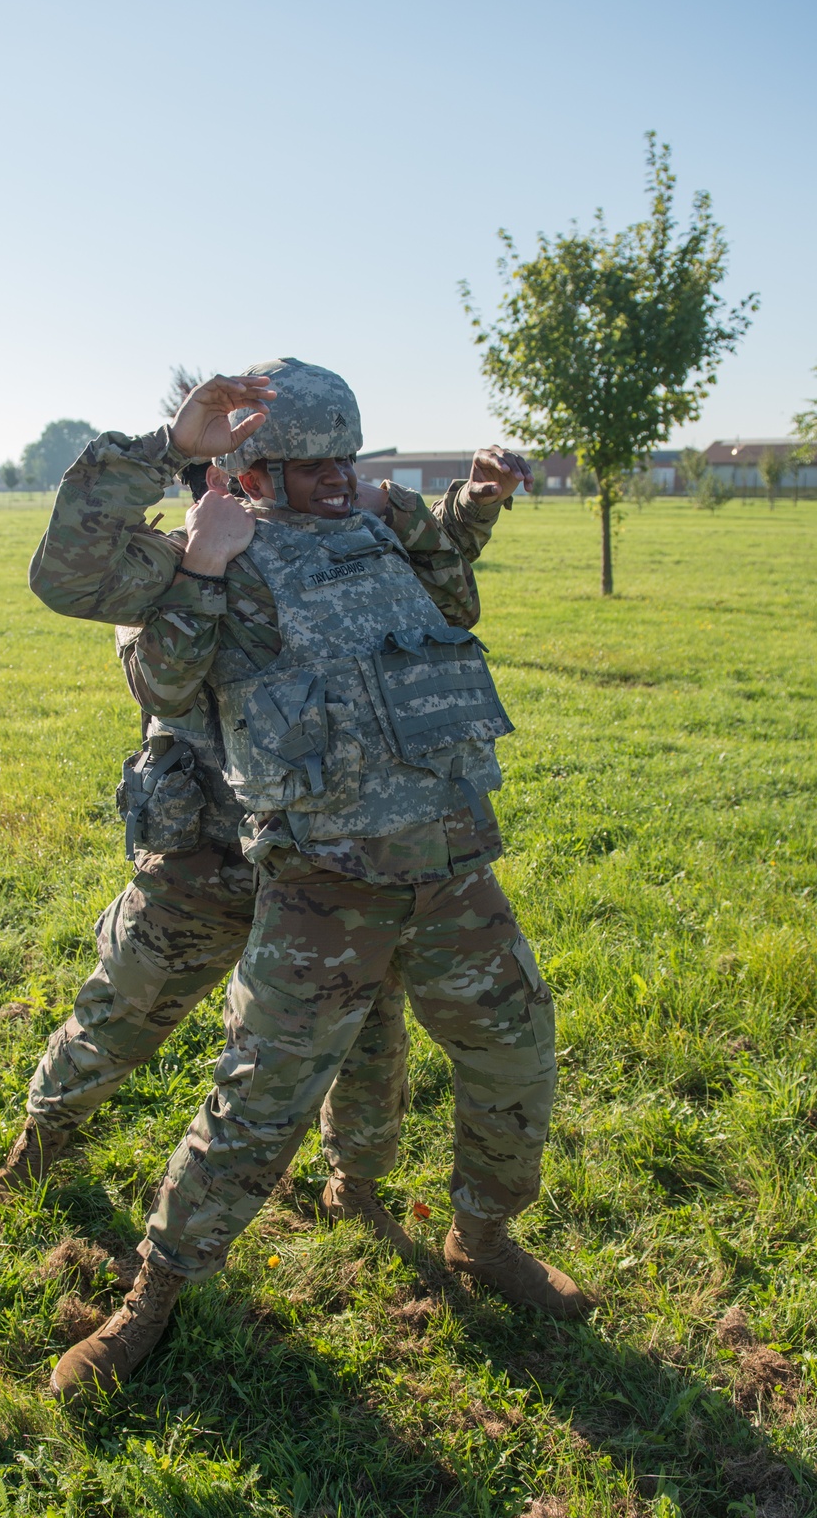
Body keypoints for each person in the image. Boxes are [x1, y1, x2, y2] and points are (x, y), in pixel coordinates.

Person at [49, 360, 589, 1404]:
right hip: (321, 888)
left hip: (452, 866)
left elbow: (455, 601)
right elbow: (80, 592)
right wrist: (185, 506)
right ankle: (150, 1298)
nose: (334, 480)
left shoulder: (380, 531)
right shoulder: (214, 555)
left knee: (516, 1060)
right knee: (257, 1106)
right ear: (248, 471)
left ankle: (482, 1237)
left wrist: (446, 512)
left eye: (344, 458)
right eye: (306, 466)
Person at [0, 402, 505, 1251]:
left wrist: (465, 506)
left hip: (328, 850)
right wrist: (196, 547)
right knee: (129, 1005)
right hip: (211, 855)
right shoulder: (180, 559)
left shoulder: (327, 540)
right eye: (229, 475)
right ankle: (40, 1141)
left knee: (368, 1030)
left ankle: (357, 1184)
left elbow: (424, 582)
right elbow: (136, 648)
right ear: (225, 485)